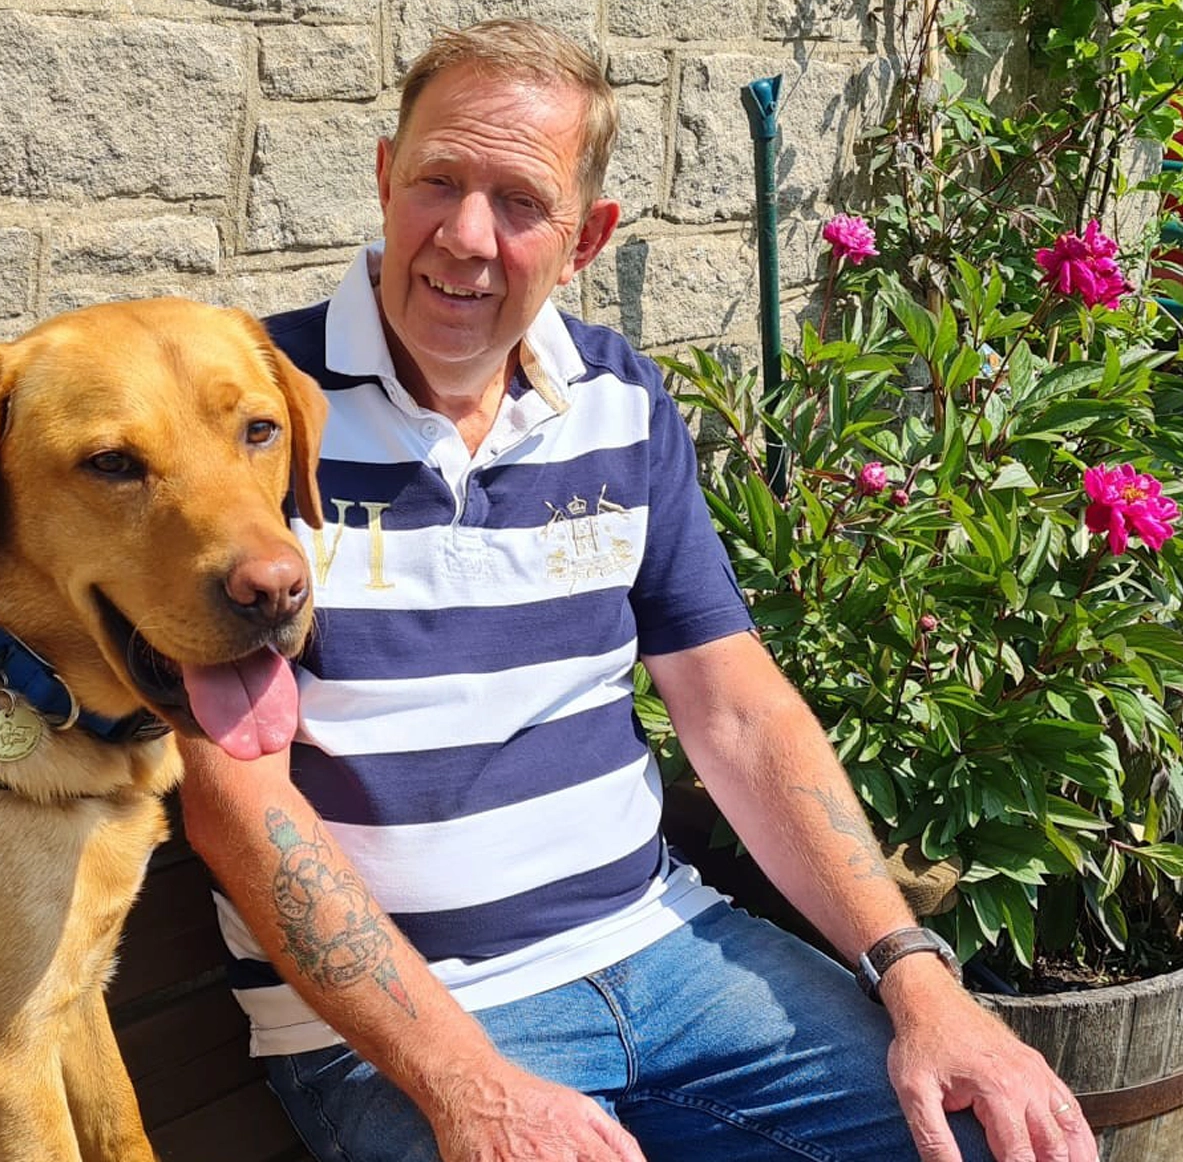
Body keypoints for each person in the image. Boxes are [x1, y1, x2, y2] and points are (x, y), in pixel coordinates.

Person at [176, 18, 1097, 1162]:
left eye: (519, 202)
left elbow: (737, 710)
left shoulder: (620, 399)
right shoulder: (248, 410)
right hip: (395, 1028)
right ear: (383, 176)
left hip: (668, 950)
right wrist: (470, 1084)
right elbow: (232, 797)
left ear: (586, 237)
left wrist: (916, 975)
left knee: (988, 1133)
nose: (465, 237)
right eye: (438, 182)